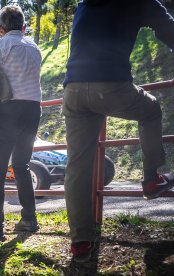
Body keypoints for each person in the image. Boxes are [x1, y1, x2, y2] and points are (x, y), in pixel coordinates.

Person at [63, 0, 174, 262]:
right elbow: (167, 28)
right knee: (150, 110)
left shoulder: (83, 4)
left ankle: (80, 242)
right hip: (110, 83)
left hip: (73, 89)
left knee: (77, 166)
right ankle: (151, 178)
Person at [0, 5, 43, 241]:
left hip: (8, 110)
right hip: (33, 109)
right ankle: (29, 219)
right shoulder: (35, 48)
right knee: (22, 165)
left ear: (0, 29)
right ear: (24, 27)